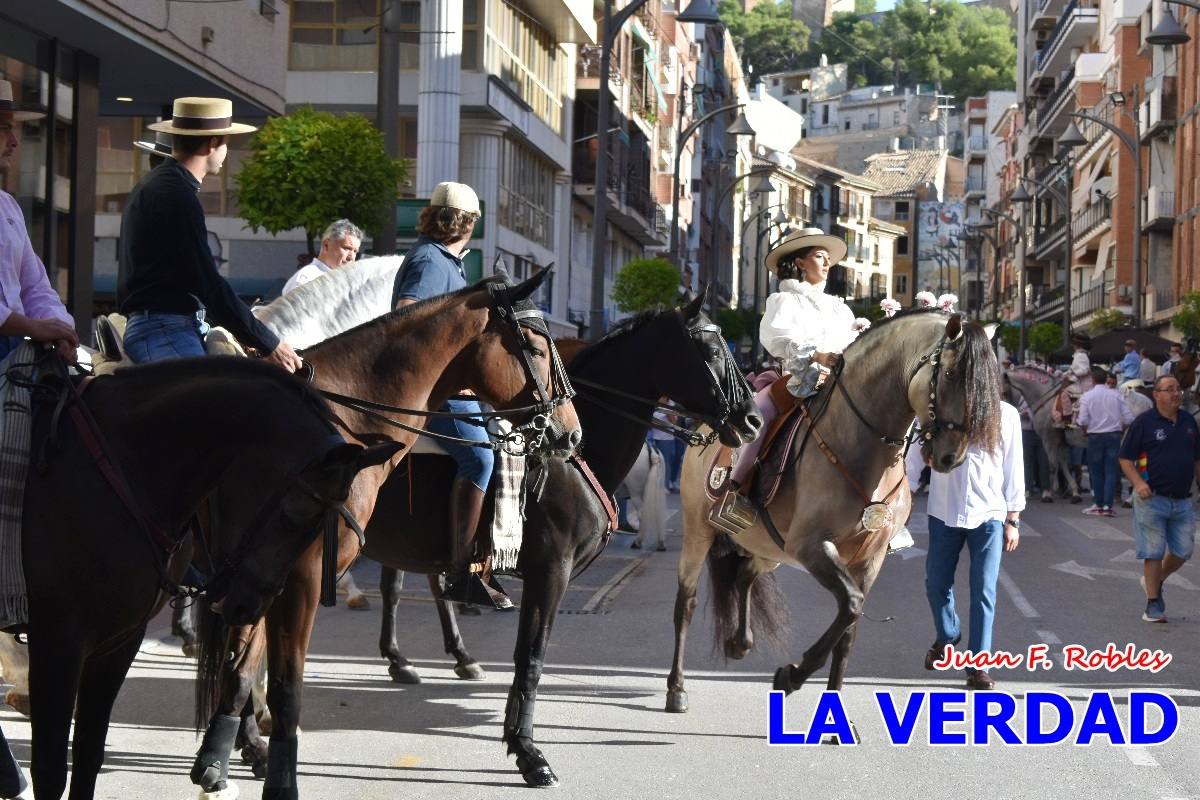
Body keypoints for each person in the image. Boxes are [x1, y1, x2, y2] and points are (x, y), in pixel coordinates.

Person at [391, 181, 509, 607]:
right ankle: (461, 571)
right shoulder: (429, 260)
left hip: (447, 386)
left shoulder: (445, 260)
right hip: (434, 392)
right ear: (467, 222)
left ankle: (486, 557)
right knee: (479, 456)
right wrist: (446, 374)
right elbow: (406, 319)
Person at [118, 97, 301, 372]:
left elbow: (199, 281)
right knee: (209, 410)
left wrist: (247, 333)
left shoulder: (163, 185)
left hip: (165, 326)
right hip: (164, 329)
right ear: (212, 143)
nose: (226, 150)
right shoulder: (176, 194)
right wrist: (269, 342)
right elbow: (207, 282)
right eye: (226, 142)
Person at [907, 384, 1024, 691]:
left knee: (983, 590)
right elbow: (913, 458)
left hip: (989, 515)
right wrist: (903, 496)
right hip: (944, 512)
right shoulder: (937, 413)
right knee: (936, 583)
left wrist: (1013, 519)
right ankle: (947, 635)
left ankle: (979, 666)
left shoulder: (1005, 415)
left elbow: (1014, 467)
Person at [0, 80, 78, 364]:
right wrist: (34, 327)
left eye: (12, 128)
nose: (14, 141)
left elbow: (34, 284)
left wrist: (58, 327)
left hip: (15, 349)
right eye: (3, 128)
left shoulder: (8, 206)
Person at [1118, 374, 1200, 623]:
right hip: (1152, 499)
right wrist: (1139, 483)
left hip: (1183, 500)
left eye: (1178, 389)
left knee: (1184, 550)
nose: (1176, 394)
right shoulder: (1144, 423)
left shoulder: (1188, 422)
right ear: (1157, 395)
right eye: (1169, 389)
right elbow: (1125, 458)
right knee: (1153, 552)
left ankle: (1156, 580)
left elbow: (1197, 458)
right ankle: (1153, 604)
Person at [1076, 368, 1133, 517]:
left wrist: (1084, 430)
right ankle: (1108, 505)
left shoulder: (1087, 396)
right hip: (1113, 435)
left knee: (1096, 471)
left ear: (1093, 380)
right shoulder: (1116, 395)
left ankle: (1098, 503)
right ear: (1106, 379)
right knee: (1111, 471)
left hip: (1094, 436)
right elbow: (1129, 419)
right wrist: (1121, 429)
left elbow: (1082, 420)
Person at [282, 219, 363, 295]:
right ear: (326, 245)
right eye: (347, 248)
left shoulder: (349, 282)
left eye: (355, 251)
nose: (351, 257)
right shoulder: (306, 280)